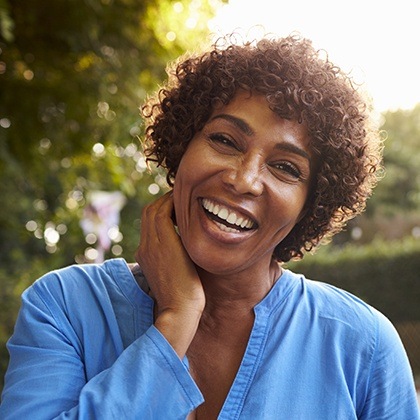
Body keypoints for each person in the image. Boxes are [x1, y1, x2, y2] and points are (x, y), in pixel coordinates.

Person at [0, 33, 419, 419]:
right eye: (225, 141)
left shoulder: (363, 348)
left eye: (286, 167)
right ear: (181, 147)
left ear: (310, 206)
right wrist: (176, 320)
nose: (244, 179)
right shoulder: (65, 307)